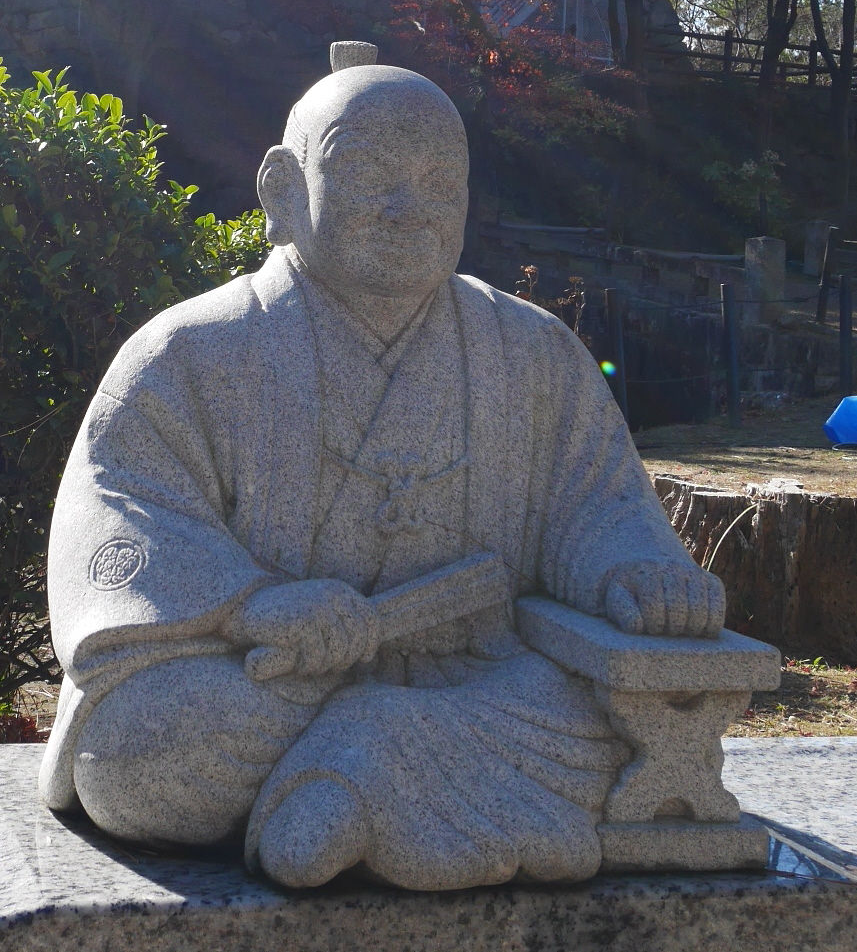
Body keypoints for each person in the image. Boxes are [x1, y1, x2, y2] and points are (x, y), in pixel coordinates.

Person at [39, 49, 724, 890]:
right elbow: (123, 509)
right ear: (282, 190)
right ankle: (367, 774)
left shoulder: (531, 350)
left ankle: (345, 778)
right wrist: (256, 605)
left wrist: (640, 568)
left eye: (442, 182)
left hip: (481, 681)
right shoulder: (192, 350)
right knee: (136, 754)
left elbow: (596, 501)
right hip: (273, 681)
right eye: (366, 172)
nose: (410, 207)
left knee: (604, 715)